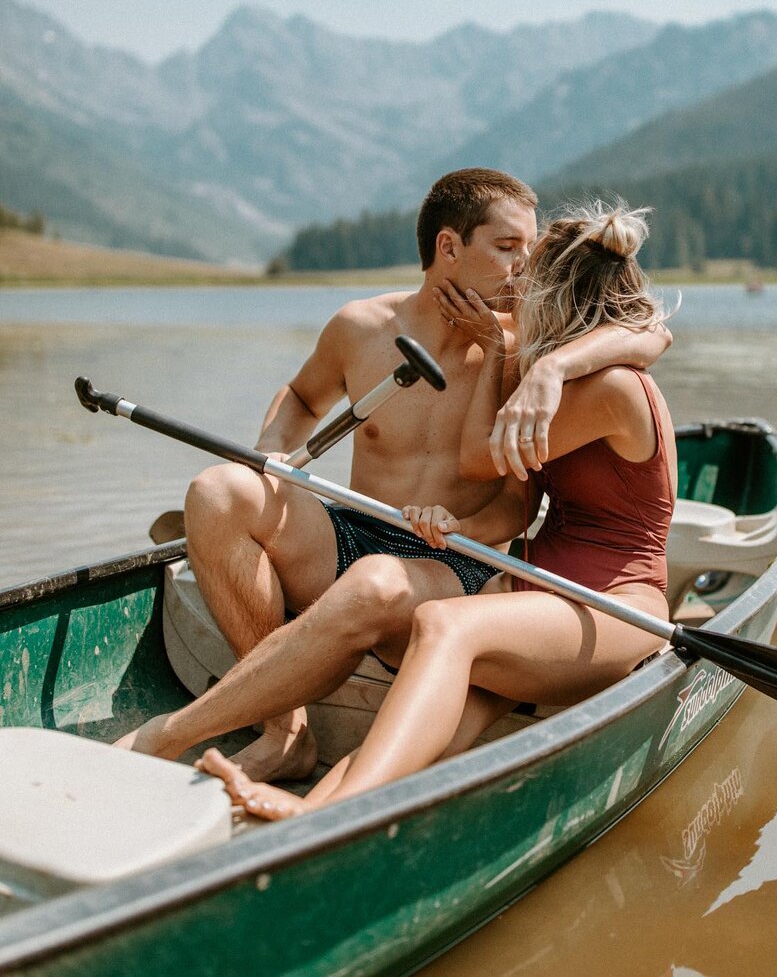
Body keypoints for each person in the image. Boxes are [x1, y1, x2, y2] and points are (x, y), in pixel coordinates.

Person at [117, 174, 671, 779]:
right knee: (218, 491)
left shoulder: (526, 347)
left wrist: (547, 367)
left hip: (456, 561)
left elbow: (645, 331)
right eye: (508, 248)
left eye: (529, 251)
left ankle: (176, 735)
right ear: (449, 248)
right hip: (352, 536)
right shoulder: (362, 326)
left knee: (377, 582)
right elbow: (303, 397)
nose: (524, 268)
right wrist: (270, 451)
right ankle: (285, 731)